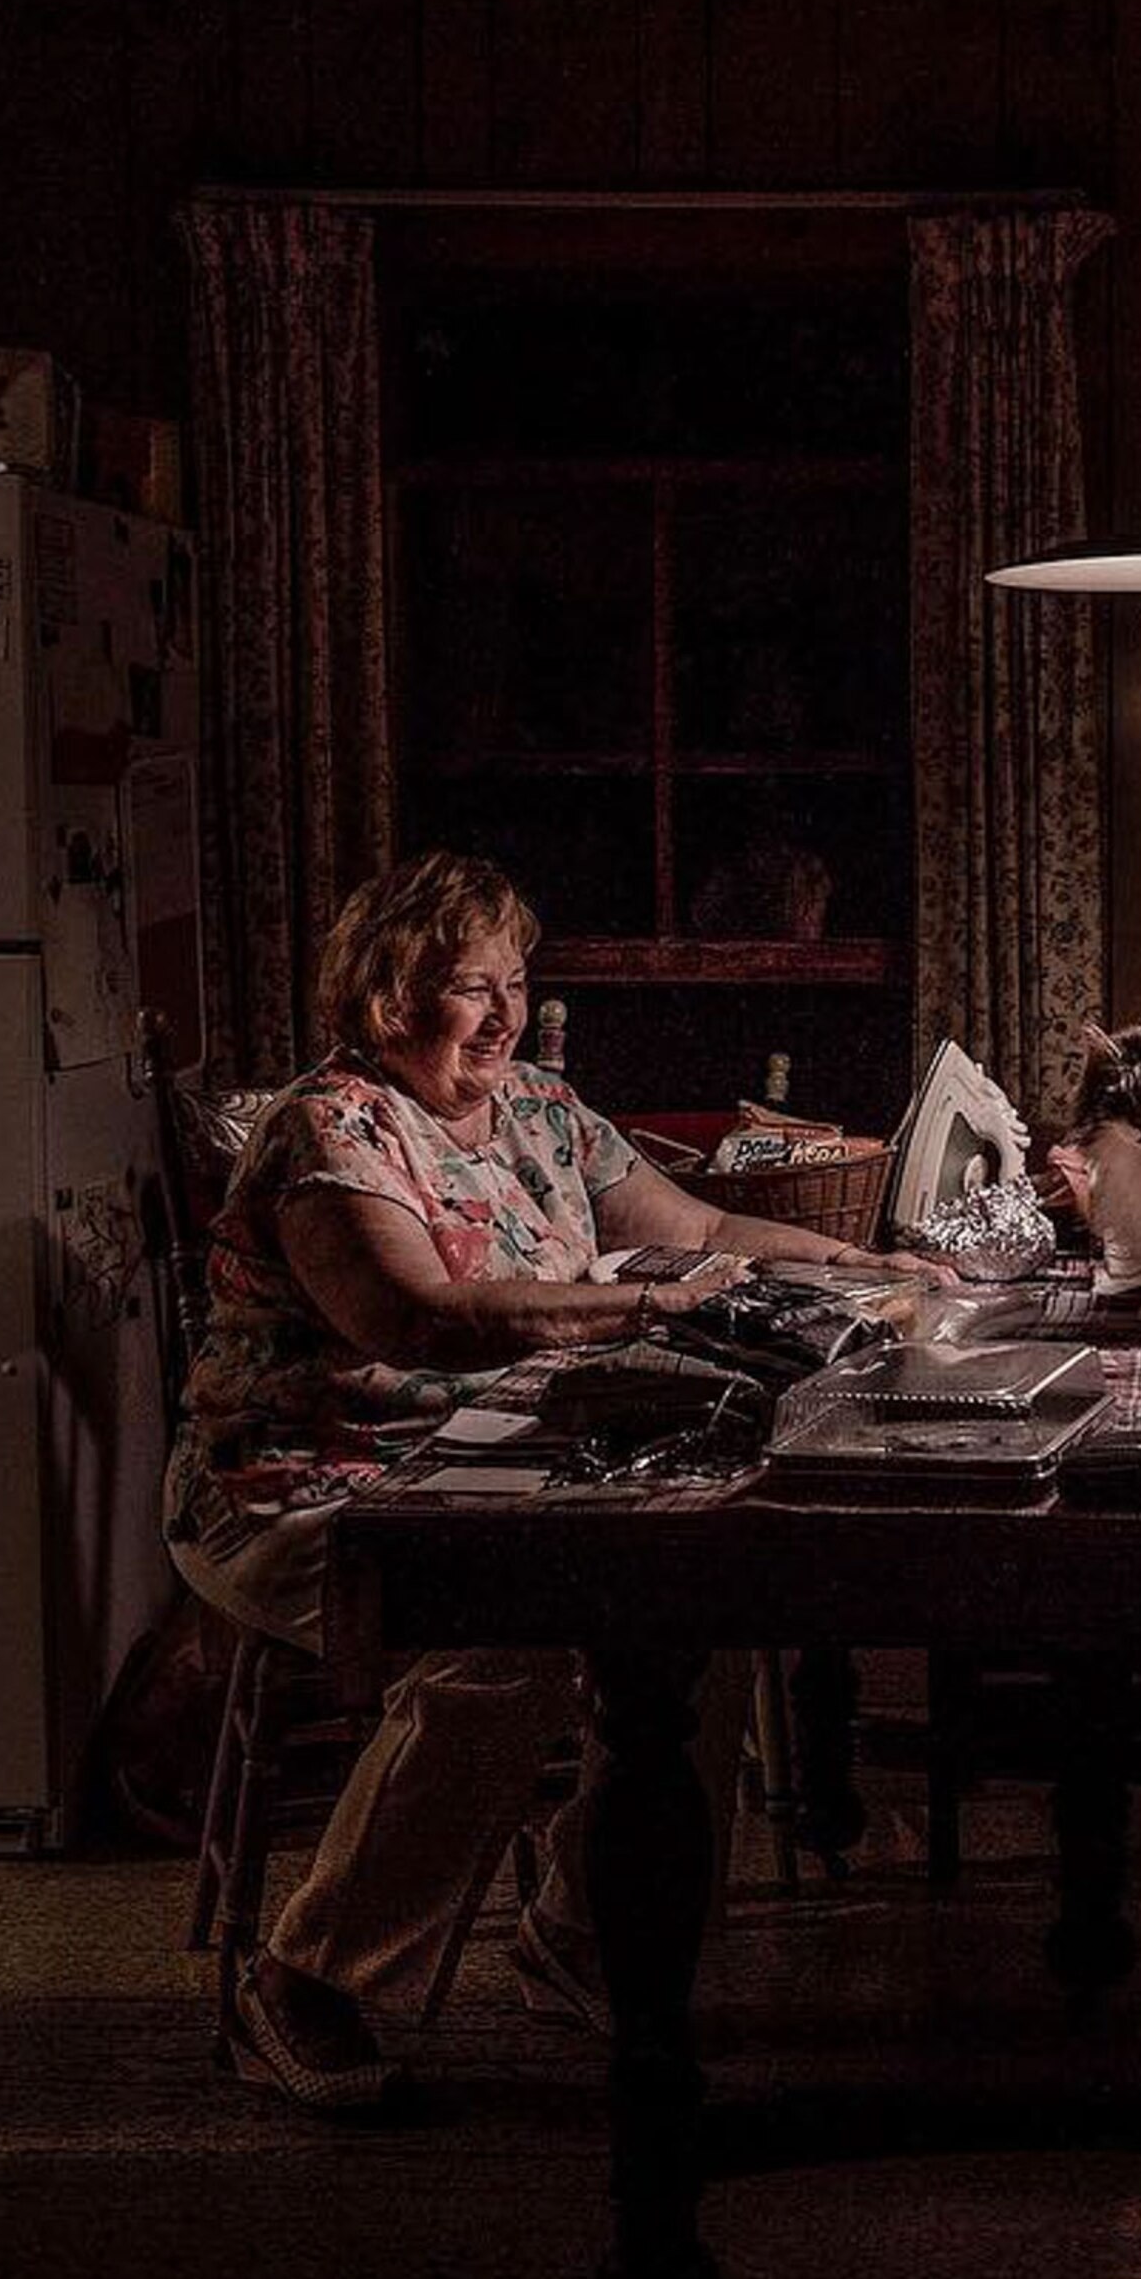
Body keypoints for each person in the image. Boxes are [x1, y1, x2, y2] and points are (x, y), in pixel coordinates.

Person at [165, 850, 944, 2113]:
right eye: (472, 988)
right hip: (315, 1473)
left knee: (699, 1602)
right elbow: (415, 1319)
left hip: (517, 1446)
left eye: (516, 982)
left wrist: (868, 1263)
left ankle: (590, 1935)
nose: (507, 1014)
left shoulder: (536, 1104)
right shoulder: (330, 1126)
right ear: (386, 994)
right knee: (512, 1635)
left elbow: (695, 1228)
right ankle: (303, 1979)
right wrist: (633, 1303)